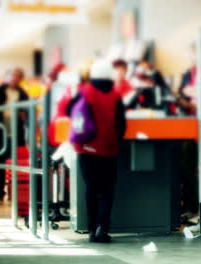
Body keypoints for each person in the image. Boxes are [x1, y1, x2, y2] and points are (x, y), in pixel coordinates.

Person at [68, 59, 126, 243]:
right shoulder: (116, 96)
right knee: (107, 191)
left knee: (92, 189)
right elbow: (121, 125)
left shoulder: (85, 92)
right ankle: (103, 228)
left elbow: (70, 110)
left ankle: (92, 229)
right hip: (108, 149)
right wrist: (115, 140)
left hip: (87, 148)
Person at [0, 68, 29, 204]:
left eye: (18, 77)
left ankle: (15, 192)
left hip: (16, 133)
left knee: (17, 163)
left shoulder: (22, 93)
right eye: (12, 76)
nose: (15, 79)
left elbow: (27, 113)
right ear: (6, 77)